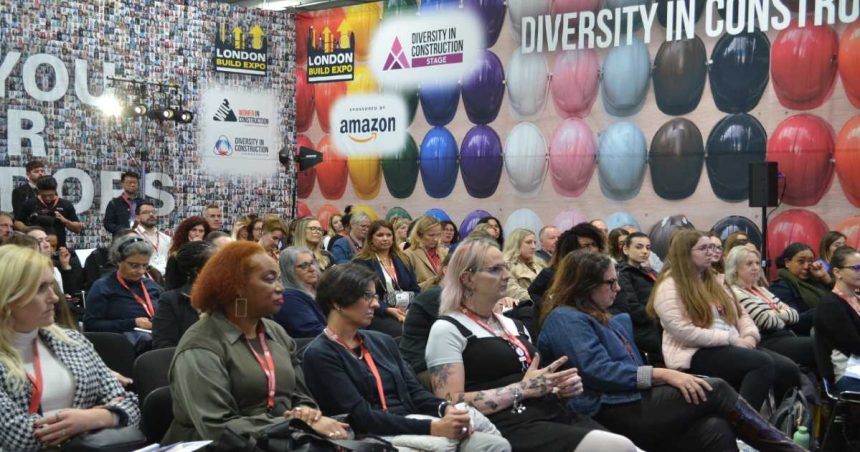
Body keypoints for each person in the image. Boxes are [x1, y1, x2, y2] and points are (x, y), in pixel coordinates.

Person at [538, 250, 804, 452]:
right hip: (605, 408)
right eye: (610, 283)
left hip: (627, 401)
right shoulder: (566, 318)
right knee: (719, 387)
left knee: (716, 427)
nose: (617, 288)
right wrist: (663, 375)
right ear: (585, 286)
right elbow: (598, 372)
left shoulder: (595, 315)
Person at [426, 238, 638, 451]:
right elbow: (450, 402)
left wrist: (557, 389)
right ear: (468, 278)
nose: (507, 275)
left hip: (550, 413)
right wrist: (521, 390)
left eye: (506, 267)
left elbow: (532, 383)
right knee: (618, 447)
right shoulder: (447, 329)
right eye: (495, 269)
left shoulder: (514, 325)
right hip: (506, 425)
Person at [302, 264, 511, 451]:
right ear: (337, 303)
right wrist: (433, 427)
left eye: (375, 297)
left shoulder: (382, 341)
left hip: (413, 423)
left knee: (494, 444)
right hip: (374, 437)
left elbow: (415, 392)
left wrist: (445, 409)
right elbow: (361, 418)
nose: (375, 304)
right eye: (367, 296)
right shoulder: (320, 354)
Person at [163, 241, 348, 443]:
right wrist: (294, 424)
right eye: (270, 280)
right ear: (237, 287)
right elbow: (217, 427)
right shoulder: (200, 345)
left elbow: (301, 396)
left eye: (278, 279)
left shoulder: (276, 332)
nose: (280, 289)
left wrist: (306, 413)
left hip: (281, 439)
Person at [0, 245, 140, 451]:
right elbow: (17, 437)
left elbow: (132, 406)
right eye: (40, 289)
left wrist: (91, 418)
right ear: (8, 297)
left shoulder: (72, 342)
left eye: (51, 286)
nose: (54, 298)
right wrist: (101, 418)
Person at [648, 230, 801, 410]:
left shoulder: (715, 280)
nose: (711, 252)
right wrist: (730, 339)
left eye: (712, 247)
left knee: (788, 368)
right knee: (761, 364)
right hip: (693, 352)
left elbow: (741, 314)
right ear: (685, 252)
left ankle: (780, 422)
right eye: (703, 248)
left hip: (731, 344)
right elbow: (683, 332)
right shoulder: (669, 286)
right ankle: (746, 427)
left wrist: (750, 336)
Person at [725, 246, 815, 369]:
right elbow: (765, 321)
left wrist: (775, 314)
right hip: (767, 341)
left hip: (786, 335)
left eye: (757, 263)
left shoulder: (761, 290)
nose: (756, 267)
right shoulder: (735, 292)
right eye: (749, 264)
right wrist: (782, 314)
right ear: (735, 268)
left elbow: (794, 315)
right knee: (817, 345)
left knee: (822, 342)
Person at [84, 235, 162, 353]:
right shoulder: (103, 287)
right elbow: (91, 324)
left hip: (156, 338)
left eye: (145, 266)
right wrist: (132, 323)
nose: (141, 271)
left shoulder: (151, 286)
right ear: (118, 261)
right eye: (134, 265)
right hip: (122, 346)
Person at [353, 220, 421, 338]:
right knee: (404, 331)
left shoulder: (403, 259)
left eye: (389, 235)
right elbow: (362, 295)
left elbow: (415, 289)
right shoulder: (362, 262)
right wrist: (387, 309)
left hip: (406, 310)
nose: (385, 238)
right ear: (371, 239)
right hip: (377, 313)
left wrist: (411, 308)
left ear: (393, 238)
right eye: (380, 235)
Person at [152, 241, 215, 349]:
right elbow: (163, 345)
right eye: (215, 265)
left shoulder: (227, 296)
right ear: (197, 271)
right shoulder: (171, 300)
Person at [816, 246, 860, 393]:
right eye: (856, 267)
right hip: (849, 374)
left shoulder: (856, 298)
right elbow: (855, 345)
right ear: (837, 272)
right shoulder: (830, 304)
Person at [614, 232, 662, 363]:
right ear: (625, 249)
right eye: (639, 247)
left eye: (648, 247)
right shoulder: (622, 274)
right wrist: (661, 315)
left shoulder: (649, 271)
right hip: (641, 328)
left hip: (656, 322)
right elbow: (631, 307)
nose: (645, 251)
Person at [529, 223, 607, 303]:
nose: (592, 250)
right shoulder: (551, 273)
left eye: (594, 244)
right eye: (586, 246)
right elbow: (533, 293)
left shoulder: (604, 271)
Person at [769, 242, 832, 335]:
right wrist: (826, 307)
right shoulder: (780, 287)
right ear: (787, 263)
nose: (807, 266)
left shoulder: (816, 279)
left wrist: (826, 279)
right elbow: (795, 321)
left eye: (810, 261)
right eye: (801, 262)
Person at [274, 247, 326, 338]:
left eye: (312, 263)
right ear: (289, 271)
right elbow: (314, 331)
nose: (312, 269)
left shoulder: (322, 290)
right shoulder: (289, 298)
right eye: (304, 266)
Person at [16, 176, 81, 248]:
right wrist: (29, 230)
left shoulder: (65, 204)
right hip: (36, 247)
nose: (47, 198)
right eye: (44, 195)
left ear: (55, 190)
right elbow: (18, 222)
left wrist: (64, 220)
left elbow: (77, 229)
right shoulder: (30, 203)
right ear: (39, 191)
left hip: (59, 248)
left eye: (50, 195)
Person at [404, 216, 448, 291]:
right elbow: (408, 289)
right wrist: (434, 281)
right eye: (431, 235)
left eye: (438, 235)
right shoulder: (408, 255)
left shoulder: (445, 252)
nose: (436, 239)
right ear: (419, 234)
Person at [503, 228, 545, 303]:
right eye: (528, 242)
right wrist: (544, 300)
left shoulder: (540, 263)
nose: (533, 246)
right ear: (516, 244)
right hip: (525, 307)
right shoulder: (505, 265)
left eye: (534, 243)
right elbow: (513, 292)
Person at [133, 200, 172, 275]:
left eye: (153, 212)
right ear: (137, 217)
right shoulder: (133, 236)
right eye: (146, 212)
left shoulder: (166, 239)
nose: (151, 214)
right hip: (144, 278)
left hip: (167, 279)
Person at [26, 227, 64, 293]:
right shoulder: (24, 274)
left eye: (47, 240)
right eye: (40, 241)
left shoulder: (55, 271)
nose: (47, 245)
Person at [12, 160, 46, 230]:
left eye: (42, 171)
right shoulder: (19, 191)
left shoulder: (49, 190)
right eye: (36, 171)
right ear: (28, 174)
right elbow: (18, 216)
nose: (40, 174)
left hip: (47, 227)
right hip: (28, 227)